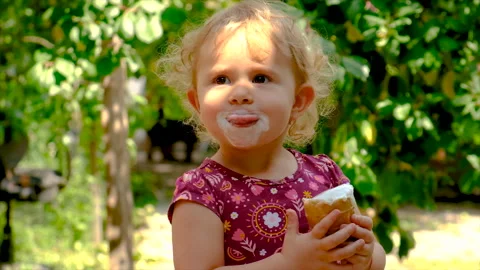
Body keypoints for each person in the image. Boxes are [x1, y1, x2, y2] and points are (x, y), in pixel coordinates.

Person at [160, 0, 386, 269]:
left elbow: (375, 258)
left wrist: (366, 255)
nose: (240, 93)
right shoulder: (201, 191)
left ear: (299, 100)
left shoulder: (325, 175)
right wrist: (289, 263)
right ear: (197, 102)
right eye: (221, 79)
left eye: (260, 78)